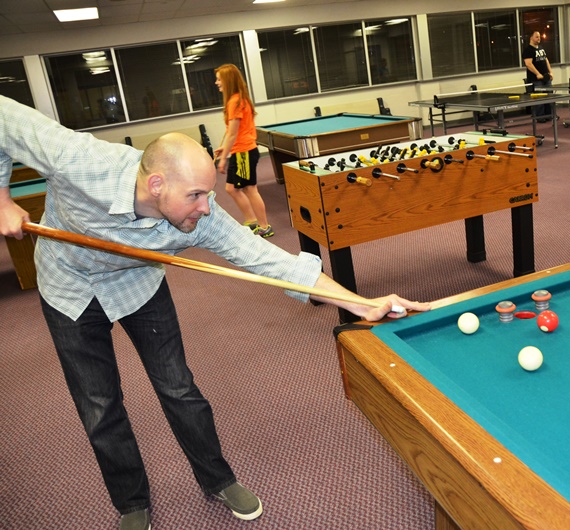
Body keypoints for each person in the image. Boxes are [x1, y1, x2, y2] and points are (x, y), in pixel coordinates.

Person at [0, 95, 429, 530]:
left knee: (178, 388)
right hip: (68, 287)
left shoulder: (202, 217)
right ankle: (131, 502)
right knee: (98, 405)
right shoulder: (81, 159)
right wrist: (2, 200)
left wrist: (362, 303)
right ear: (156, 185)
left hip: (138, 284)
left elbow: (270, 261)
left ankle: (218, 479)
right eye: (194, 195)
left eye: (207, 193)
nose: (206, 207)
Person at [213, 64, 273, 238]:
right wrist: (226, 148)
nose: (217, 83)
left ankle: (264, 226)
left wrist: (223, 158)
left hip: (244, 153)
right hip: (241, 150)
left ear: (228, 80)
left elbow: (232, 133)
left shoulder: (235, 102)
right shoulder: (238, 100)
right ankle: (251, 221)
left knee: (250, 190)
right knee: (231, 188)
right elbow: (238, 132)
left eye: (219, 79)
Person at [522, 31, 553, 121]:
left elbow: (546, 60)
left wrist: (550, 72)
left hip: (546, 78)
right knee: (539, 99)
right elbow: (528, 64)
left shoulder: (541, 48)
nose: (539, 38)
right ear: (531, 38)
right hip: (536, 79)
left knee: (549, 97)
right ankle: (539, 117)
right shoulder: (528, 50)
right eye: (536, 37)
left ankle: (548, 115)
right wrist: (538, 74)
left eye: (539, 37)